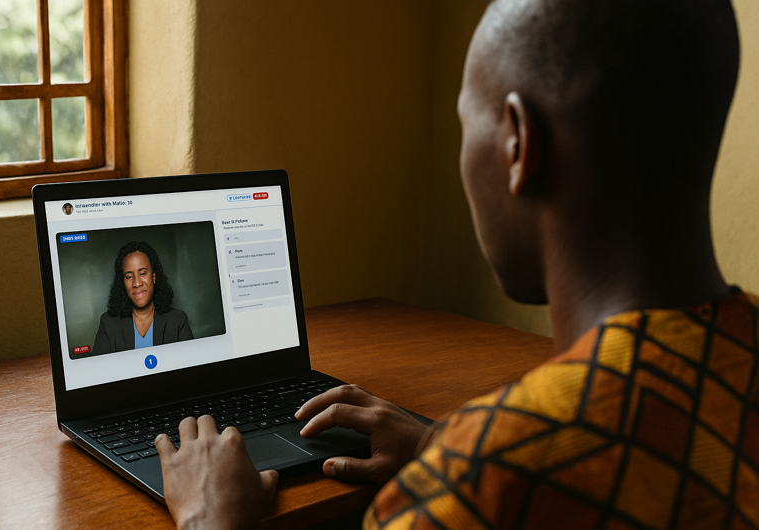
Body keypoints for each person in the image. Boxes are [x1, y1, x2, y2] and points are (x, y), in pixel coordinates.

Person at [155, 0, 759, 528]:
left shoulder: (475, 486)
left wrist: (209, 519)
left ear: (519, 144)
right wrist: (438, 440)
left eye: (466, 122)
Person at [92, 241, 193, 355]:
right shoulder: (108, 324)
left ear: (154, 278)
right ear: (123, 283)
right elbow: (98, 371)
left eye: (143, 273)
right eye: (129, 276)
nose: (136, 283)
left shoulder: (178, 321)